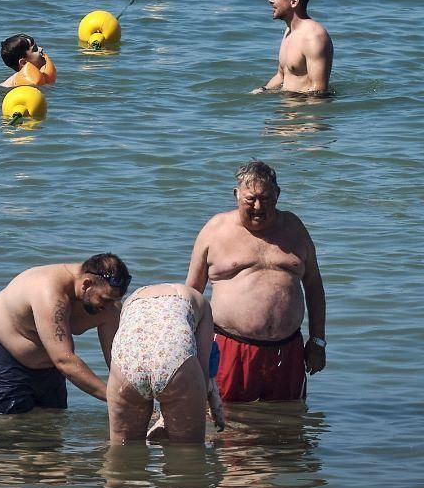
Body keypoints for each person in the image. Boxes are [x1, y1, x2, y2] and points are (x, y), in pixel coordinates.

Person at [186, 161, 325, 403]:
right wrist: (186, 348)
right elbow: (191, 295)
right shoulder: (215, 230)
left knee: (289, 420)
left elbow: (314, 287)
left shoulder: (294, 228)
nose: (258, 206)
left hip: (287, 350)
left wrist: (317, 341)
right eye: (250, 199)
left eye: (266, 198)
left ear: (278, 194)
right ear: (236, 195)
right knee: (226, 418)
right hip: (229, 347)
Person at [0, 254, 129, 414]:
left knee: (52, 422)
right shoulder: (49, 292)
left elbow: (117, 364)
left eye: (115, 300)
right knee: (10, 424)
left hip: (48, 368)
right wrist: (115, 399)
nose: (109, 306)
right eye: (105, 299)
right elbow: (64, 360)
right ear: (86, 284)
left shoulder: (110, 306)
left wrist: (133, 398)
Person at [107, 283, 226, 444]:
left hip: (127, 362)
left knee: (122, 450)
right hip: (174, 355)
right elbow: (203, 367)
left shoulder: (131, 299)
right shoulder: (201, 302)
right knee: (187, 452)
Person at [258, 0, 332, 94]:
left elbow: (319, 90)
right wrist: (262, 90)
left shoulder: (313, 37)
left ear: (294, 2)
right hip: (287, 104)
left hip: (303, 105)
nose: (270, 0)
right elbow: (281, 75)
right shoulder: (289, 31)